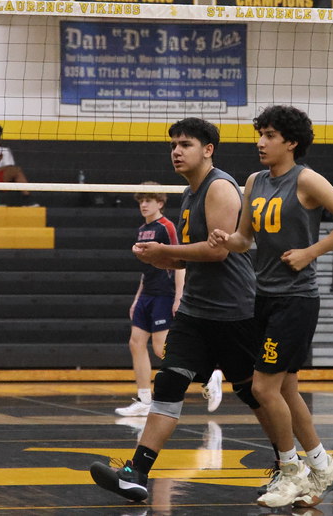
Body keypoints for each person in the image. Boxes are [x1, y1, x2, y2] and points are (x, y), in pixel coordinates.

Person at [90, 117, 268, 504]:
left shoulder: (219, 187)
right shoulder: (190, 193)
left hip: (233, 310)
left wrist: (166, 253)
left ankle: (292, 465)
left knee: (257, 393)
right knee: (168, 383)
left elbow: (218, 250)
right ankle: (136, 472)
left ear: (208, 150)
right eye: (173, 144)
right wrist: (162, 262)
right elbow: (195, 258)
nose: (175, 150)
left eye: (185, 144)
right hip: (196, 310)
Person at [208, 105, 333, 507]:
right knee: (288, 389)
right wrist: (227, 240)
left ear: (291, 142)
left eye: (271, 135)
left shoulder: (307, 179)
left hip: (296, 299)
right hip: (264, 295)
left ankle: (291, 471)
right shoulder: (254, 181)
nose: (261, 142)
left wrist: (311, 252)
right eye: (259, 134)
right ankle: (323, 467)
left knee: (263, 388)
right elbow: (246, 239)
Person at [116, 183, 185, 417]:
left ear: (160, 203)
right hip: (147, 294)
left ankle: (207, 374)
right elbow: (146, 270)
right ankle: (145, 400)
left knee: (160, 348)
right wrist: (137, 299)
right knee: (135, 343)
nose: (144, 204)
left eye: (149, 200)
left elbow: (180, 261)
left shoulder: (167, 227)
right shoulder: (141, 230)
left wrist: (179, 295)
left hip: (165, 294)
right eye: (141, 200)